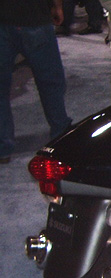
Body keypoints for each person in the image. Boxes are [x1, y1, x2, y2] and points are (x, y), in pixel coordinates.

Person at [0, 0, 72, 164]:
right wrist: (57, 7)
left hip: (3, 20)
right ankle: (60, 137)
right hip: (35, 18)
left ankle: (3, 146)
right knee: (51, 83)